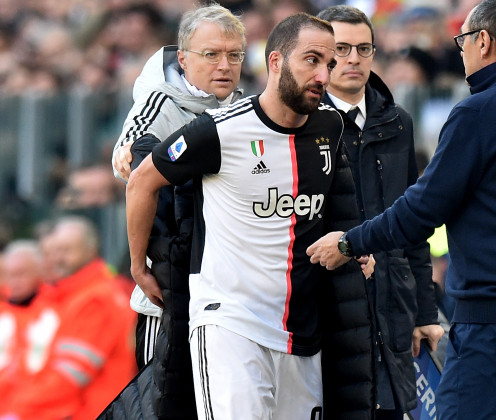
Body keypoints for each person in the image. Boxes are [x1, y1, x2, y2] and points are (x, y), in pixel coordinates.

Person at [307, 0, 496, 418]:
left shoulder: (477, 113)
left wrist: (351, 242)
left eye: (462, 40)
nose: (460, 52)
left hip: (495, 325)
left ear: (484, 41)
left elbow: (420, 211)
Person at [125, 12, 370, 419]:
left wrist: (356, 242)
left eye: (329, 63)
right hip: (230, 323)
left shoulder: (331, 126)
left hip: (301, 332)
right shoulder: (218, 131)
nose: (324, 75)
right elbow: (141, 181)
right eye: (312, 60)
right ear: (275, 62)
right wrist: (138, 264)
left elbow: (337, 202)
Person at [316, 6, 443, 419]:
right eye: (342, 48)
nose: (353, 58)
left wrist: (425, 313)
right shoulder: (304, 124)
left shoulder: (399, 123)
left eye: (364, 48)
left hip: (392, 307)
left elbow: (415, 224)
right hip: (329, 310)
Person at [111, 2, 246, 372]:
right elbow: (131, 150)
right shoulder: (162, 102)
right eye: (212, 54)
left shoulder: (247, 110)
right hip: (169, 291)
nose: (224, 65)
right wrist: (126, 153)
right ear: (183, 59)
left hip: (231, 296)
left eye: (234, 55)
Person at [0, 216, 136, 420]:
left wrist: (18, 412)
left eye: (65, 250)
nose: (55, 259)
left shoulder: (97, 299)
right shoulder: (69, 296)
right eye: (52, 252)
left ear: (90, 250)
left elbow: (69, 377)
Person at [0, 240, 46, 413]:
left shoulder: (52, 311)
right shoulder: (5, 312)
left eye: (21, 274)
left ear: (39, 272)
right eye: (9, 275)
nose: (14, 282)